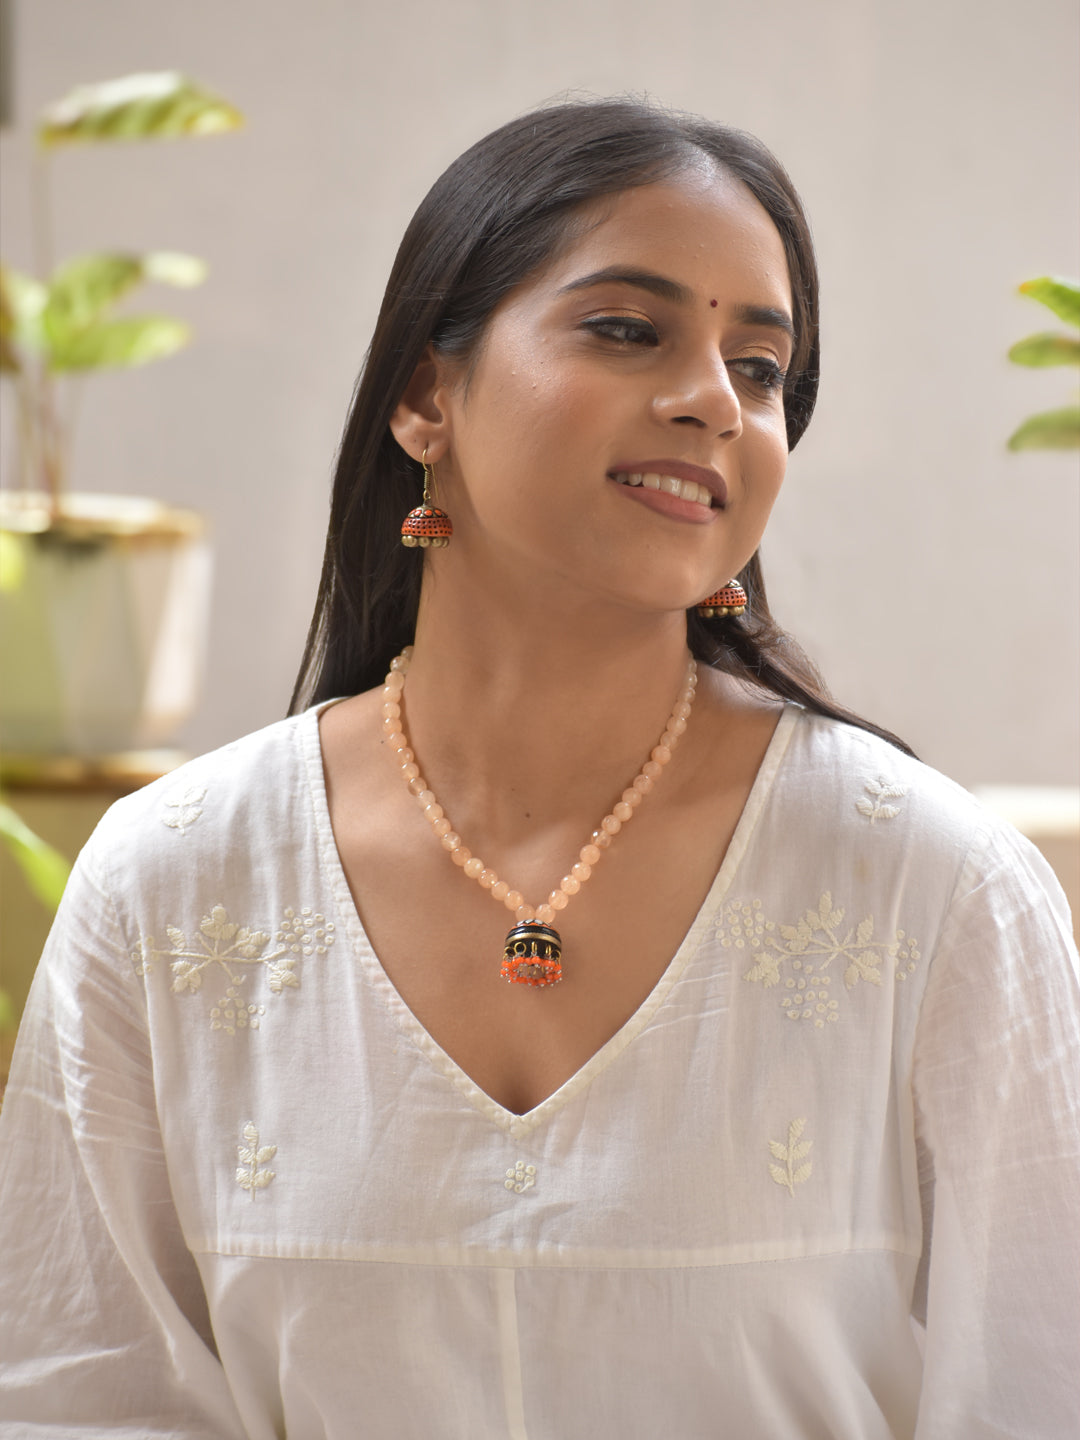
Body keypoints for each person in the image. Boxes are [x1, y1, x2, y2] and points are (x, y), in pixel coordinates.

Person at [0, 99, 1077, 1439]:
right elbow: (82, 1398)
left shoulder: (938, 894)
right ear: (422, 394)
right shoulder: (170, 886)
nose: (711, 401)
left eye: (761, 368)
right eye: (629, 330)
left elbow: (1040, 1392)